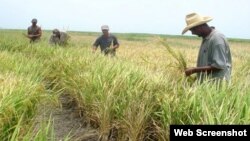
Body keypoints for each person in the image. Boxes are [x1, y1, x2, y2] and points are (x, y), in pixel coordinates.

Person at [182, 13, 232, 83]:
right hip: (207, 85)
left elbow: (218, 66)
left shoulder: (217, 39)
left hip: (217, 86)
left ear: (199, 27)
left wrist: (194, 70)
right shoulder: (206, 38)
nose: (193, 33)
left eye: (192, 30)